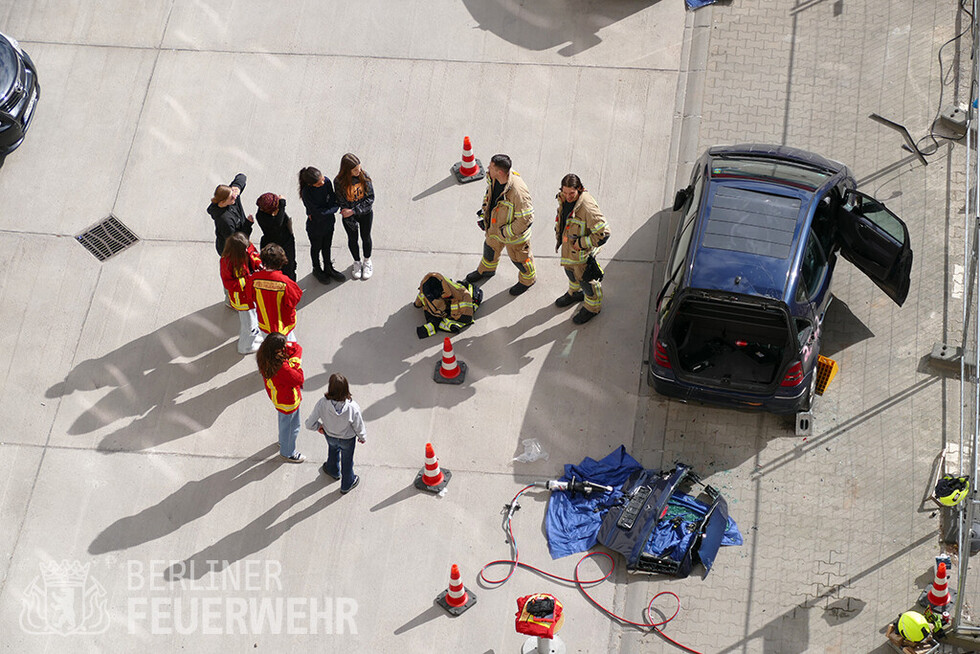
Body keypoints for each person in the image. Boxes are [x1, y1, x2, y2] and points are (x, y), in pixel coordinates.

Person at [464, 154, 536, 296]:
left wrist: (505, 232)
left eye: (491, 167)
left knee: (520, 260)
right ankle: (487, 270)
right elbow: (489, 196)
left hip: (513, 237)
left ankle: (528, 280)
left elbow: (526, 219)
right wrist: (485, 213)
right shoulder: (493, 178)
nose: (488, 168)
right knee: (489, 251)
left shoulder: (518, 192)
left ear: (500, 172)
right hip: (494, 229)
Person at [553, 174, 611, 324]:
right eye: (564, 192)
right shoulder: (564, 197)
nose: (567, 197)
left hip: (582, 253)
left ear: (579, 189)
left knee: (587, 281)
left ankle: (593, 308)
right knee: (570, 272)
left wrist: (581, 243)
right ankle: (575, 294)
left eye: (571, 193)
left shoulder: (587, 207)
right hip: (569, 249)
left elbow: (603, 234)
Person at [305, 373, 366, 494]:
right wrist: (362, 436)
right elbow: (358, 424)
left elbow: (309, 424)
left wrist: (318, 427)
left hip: (330, 435)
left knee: (333, 450)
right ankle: (347, 483)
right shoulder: (352, 407)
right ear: (346, 389)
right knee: (347, 461)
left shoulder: (322, 403)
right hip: (347, 439)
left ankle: (333, 470)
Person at [256, 333, 306, 463]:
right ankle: (288, 452)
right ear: (278, 350)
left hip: (278, 397)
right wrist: (294, 364)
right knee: (292, 426)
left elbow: (296, 348)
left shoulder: (264, 354)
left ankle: (283, 441)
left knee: (284, 422)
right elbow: (298, 378)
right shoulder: (282, 368)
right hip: (287, 400)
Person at [298, 166, 346, 284]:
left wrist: (330, 208)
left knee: (327, 246)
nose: (323, 183)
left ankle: (328, 267)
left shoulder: (327, 182)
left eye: (322, 179)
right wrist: (333, 209)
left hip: (328, 222)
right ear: (311, 184)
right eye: (319, 183)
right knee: (316, 248)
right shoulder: (306, 193)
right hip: (316, 226)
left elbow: (332, 198)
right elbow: (318, 213)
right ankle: (316, 268)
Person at [246, 244, 303, 341]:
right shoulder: (285, 282)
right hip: (283, 323)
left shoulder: (254, 279)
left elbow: (249, 296)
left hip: (265, 323)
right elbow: (295, 299)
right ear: (281, 262)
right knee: (289, 344)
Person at [219, 232, 264, 354]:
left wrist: (259, 266)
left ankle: (253, 337)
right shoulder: (227, 262)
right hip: (242, 299)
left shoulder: (245, 248)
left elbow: (254, 255)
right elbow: (229, 284)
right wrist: (249, 279)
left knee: (254, 318)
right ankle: (245, 346)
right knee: (248, 324)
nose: (247, 248)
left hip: (251, 294)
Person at [334, 153, 375, 280]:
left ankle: (367, 260)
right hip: (349, 216)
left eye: (359, 168)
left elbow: (370, 198)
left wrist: (353, 211)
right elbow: (341, 200)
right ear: (347, 170)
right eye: (355, 170)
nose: (359, 171)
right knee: (352, 239)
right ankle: (357, 262)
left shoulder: (364, 176)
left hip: (364, 213)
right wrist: (348, 213)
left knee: (366, 237)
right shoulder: (339, 182)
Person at [413, 272, 482, 338]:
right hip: (462, 299)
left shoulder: (426, 289)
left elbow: (440, 310)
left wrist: (417, 304)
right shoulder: (438, 278)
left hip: (462, 313)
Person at [207, 173, 254, 256]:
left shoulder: (230, 197)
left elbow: (241, 177)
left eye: (233, 194)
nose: (235, 197)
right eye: (231, 197)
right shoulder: (225, 221)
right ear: (222, 202)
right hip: (231, 252)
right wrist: (248, 224)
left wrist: (237, 187)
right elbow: (237, 242)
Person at [255, 192, 297, 282]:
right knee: (288, 270)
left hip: (269, 243)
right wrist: (282, 204)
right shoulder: (276, 222)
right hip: (284, 245)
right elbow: (278, 221)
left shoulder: (260, 215)